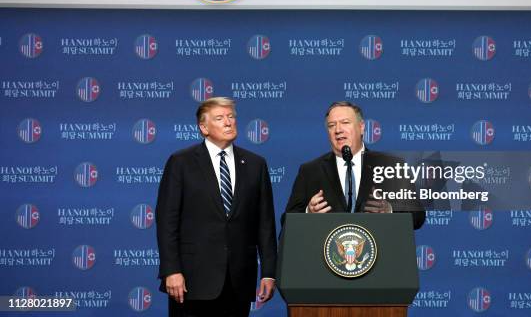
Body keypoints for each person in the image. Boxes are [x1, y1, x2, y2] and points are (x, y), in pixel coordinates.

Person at [156, 97, 277, 317]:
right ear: (203, 127)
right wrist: (171, 270)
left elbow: (265, 223)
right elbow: (167, 221)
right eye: (220, 118)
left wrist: (269, 273)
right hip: (192, 281)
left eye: (231, 117)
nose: (228, 122)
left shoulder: (255, 164)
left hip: (239, 281)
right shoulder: (181, 162)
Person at [284, 101, 425, 230]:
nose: (338, 130)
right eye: (331, 125)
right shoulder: (310, 171)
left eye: (345, 122)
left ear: (361, 127)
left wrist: (389, 210)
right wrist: (307, 213)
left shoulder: (391, 166)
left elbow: (418, 217)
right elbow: (286, 222)